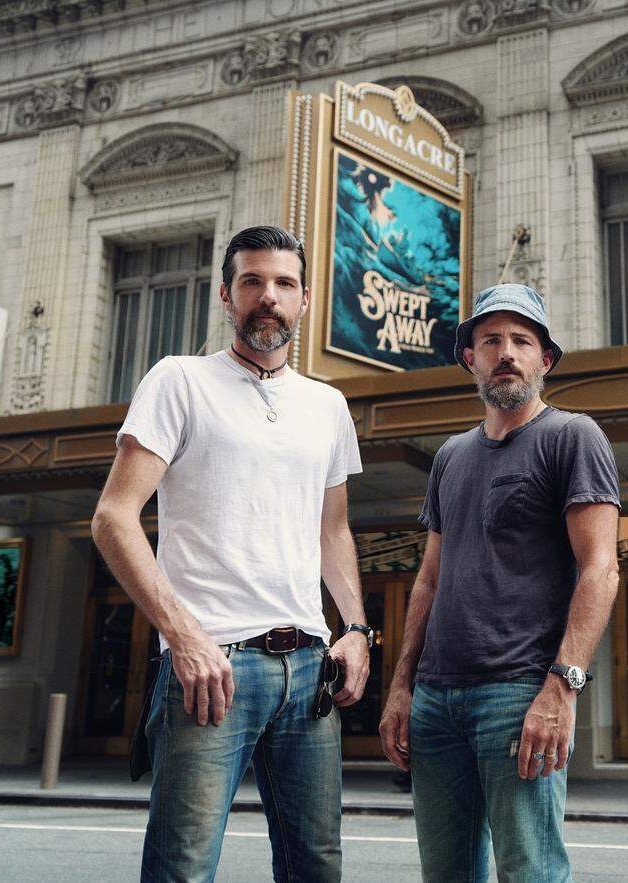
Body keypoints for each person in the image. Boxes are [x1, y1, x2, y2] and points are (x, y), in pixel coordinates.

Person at [92, 225, 372, 883]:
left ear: (304, 300)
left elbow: (333, 532)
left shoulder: (328, 406)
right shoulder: (180, 380)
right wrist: (183, 636)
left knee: (317, 867)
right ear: (226, 293)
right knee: (183, 867)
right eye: (252, 281)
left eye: (283, 283)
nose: (267, 296)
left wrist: (356, 629)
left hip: (309, 670)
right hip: (211, 664)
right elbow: (113, 517)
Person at [379, 283, 621, 882]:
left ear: (546, 359)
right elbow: (428, 581)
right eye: (491, 340)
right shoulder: (450, 457)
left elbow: (601, 568)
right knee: (447, 875)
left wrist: (561, 689)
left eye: (522, 340)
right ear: (470, 358)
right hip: (435, 700)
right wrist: (403, 686)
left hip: (518, 695)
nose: (506, 352)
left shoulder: (573, 437)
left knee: (530, 871)